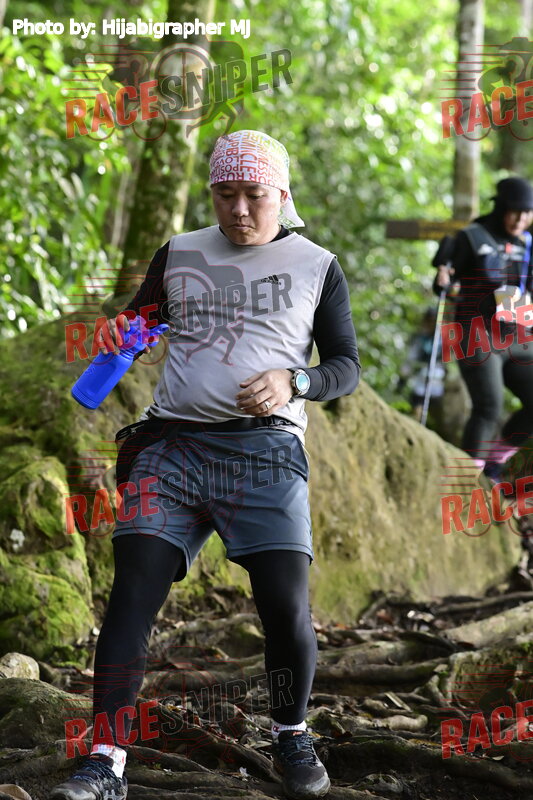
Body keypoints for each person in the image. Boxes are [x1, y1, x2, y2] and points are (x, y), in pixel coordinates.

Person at [50, 129, 360, 800]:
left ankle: (290, 733)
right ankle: (105, 761)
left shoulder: (316, 265)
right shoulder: (182, 251)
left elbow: (345, 366)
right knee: (133, 589)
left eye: (254, 195)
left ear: (282, 194)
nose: (238, 209)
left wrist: (295, 381)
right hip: (172, 447)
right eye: (225, 195)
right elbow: (140, 324)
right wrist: (121, 332)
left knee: (284, 605)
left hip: (266, 451)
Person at [434, 177, 533, 484]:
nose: (521, 219)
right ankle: (467, 480)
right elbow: (446, 277)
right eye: (515, 212)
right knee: (489, 406)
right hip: (474, 332)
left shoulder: (527, 243)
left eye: (527, 213)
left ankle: (493, 463)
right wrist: (444, 278)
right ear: (501, 208)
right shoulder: (472, 237)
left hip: (516, 334)